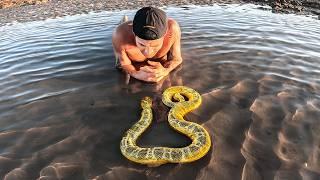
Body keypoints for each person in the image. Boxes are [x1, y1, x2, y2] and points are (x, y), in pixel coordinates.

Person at [112, 6, 183, 83]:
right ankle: (124, 21)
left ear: (166, 33)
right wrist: (136, 74)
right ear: (133, 33)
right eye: (142, 44)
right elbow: (125, 64)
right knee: (119, 68)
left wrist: (165, 71)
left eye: (155, 46)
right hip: (124, 34)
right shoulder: (120, 34)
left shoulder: (173, 29)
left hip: (160, 64)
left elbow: (177, 59)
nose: (148, 52)